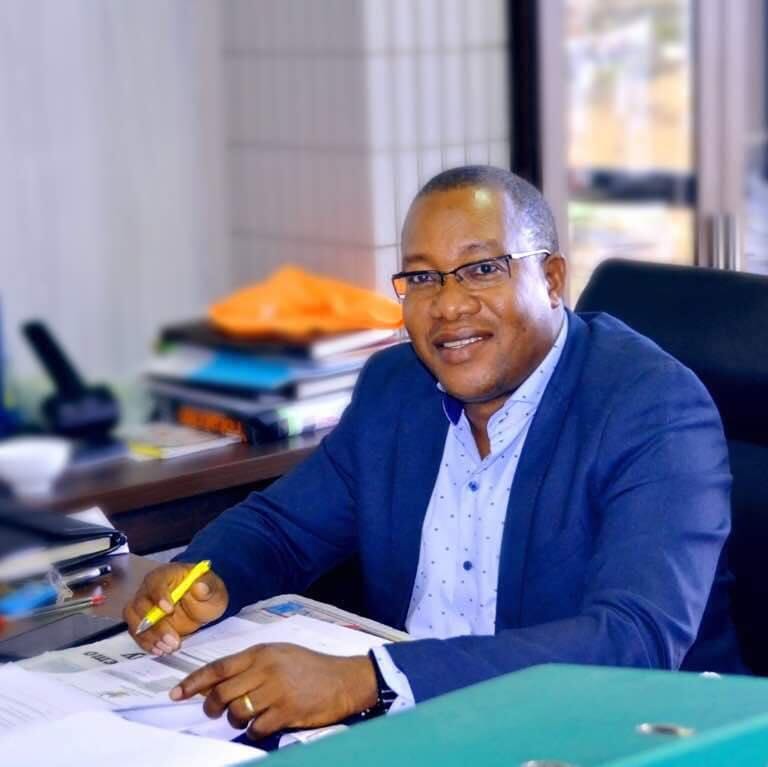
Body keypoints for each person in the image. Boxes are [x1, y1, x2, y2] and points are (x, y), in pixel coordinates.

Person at [124, 165, 743, 740]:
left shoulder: (651, 408)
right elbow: (282, 528)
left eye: (482, 269)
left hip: (620, 736)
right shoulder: (396, 389)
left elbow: (632, 641)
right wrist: (209, 576)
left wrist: (369, 680)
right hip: (420, 731)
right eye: (422, 278)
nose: (448, 305)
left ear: (552, 280)